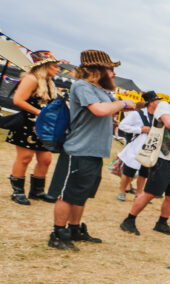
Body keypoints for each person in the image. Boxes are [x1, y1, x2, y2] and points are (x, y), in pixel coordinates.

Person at [46, 49, 139, 250]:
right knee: (68, 194)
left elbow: (104, 110)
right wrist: (122, 103)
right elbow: (98, 110)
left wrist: (120, 106)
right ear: (98, 69)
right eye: (111, 69)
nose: (114, 74)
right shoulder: (82, 86)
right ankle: (57, 233)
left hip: (94, 152)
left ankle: (74, 229)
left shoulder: (101, 91)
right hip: (78, 150)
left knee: (81, 193)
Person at [119, 85, 170, 236]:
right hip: (163, 157)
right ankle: (129, 220)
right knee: (150, 192)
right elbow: (169, 125)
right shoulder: (165, 106)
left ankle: (161, 223)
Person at [7, 50, 60, 205]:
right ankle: (17, 192)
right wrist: (40, 113)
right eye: (55, 66)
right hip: (28, 124)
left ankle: (37, 191)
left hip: (43, 127)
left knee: (45, 159)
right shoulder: (31, 79)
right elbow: (18, 100)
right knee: (25, 158)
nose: (58, 69)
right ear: (45, 66)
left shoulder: (49, 82)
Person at [116, 91, 162, 201]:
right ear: (151, 102)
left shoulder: (159, 116)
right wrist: (139, 130)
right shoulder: (137, 114)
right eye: (157, 100)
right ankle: (122, 192)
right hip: (136, 147)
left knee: (144, 173)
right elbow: (122, 126)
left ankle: (139, 194)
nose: (160, 102)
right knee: (128, 172)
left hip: (150, 148)